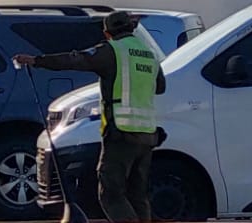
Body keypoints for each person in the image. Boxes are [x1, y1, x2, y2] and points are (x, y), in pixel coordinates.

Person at [13, 11, 165, 223]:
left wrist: (37, 61)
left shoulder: (112, 50)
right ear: (130, 29)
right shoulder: (148, 54)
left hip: (121, 132)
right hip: (147, 135)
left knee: (110, 194)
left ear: (107, 33)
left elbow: (76, 60)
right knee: (137, 196)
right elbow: (160, 87)